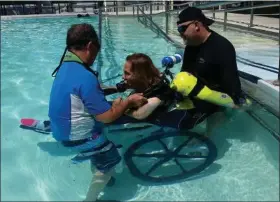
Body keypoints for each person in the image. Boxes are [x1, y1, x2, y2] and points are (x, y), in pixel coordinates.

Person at [47, 23, 147, 202]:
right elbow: (107, 117)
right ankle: (91, 198)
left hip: (60, 129)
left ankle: (98, 165)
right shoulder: (85, 76)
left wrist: (117, 88)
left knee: (101, 148)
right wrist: (128, 102)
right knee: (110, 159)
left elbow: (92, 91)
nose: (94, 57)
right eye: (96, 52)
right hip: (77, 137)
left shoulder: (66, 67)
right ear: (90, 46)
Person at [175, 7, 248, 135]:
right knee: (182, 126)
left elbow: (231, 83)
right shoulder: (191, 46)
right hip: (199, 92)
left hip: (218, 96)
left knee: (212, 132)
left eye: (182, 28)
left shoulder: (222, 47)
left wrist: (235, 102)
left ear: (196, 25)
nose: (180, 33)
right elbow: (185, 72)